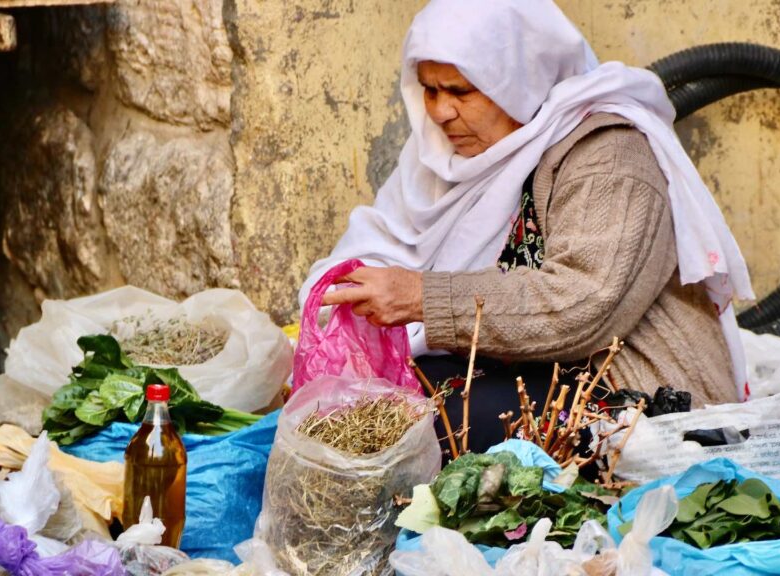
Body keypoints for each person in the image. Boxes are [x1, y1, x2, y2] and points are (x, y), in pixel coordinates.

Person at [299, 0, 754, 454]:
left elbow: (582, 305)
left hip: (622, 389)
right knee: (353, 402)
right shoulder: (445, 159)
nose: (439, 112)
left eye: (460, 91)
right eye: (429, 90)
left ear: (519, 80)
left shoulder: (609, 155)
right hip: (517, 366)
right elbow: (387, 243)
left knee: (417, 427)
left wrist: (420, 297)